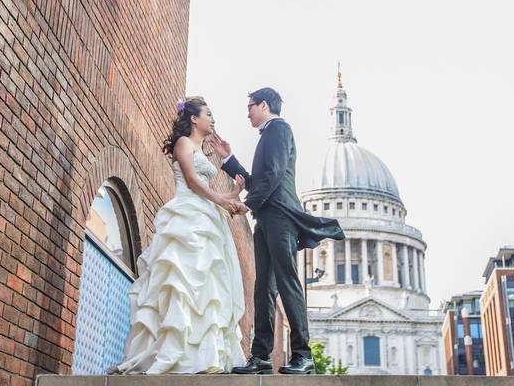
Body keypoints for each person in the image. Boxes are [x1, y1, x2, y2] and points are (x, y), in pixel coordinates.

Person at [211, 87, 345, 375]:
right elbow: (258, 179)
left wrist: (248, 205)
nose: (247, 112)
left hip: (279, 217)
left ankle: (302, 354)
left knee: (286, 283)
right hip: (267, 218)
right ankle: (259, 356)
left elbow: (272, 176)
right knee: (264, 289)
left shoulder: (279, 129)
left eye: (250, 106)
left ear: (264, 105)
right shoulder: (269, 134)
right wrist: (228, 160)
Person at [112, 97, 248, 374]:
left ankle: (205, 357)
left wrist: (233, 195)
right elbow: (193, 182)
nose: (213, 119)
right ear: (194, 119)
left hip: (206, 218)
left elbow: (208, 190)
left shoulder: (203, 149)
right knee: (180, 281)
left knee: (206, 286)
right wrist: (224, 202)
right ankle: (174, 352)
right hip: (187, 216)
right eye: (209, 114)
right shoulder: (183, 144)